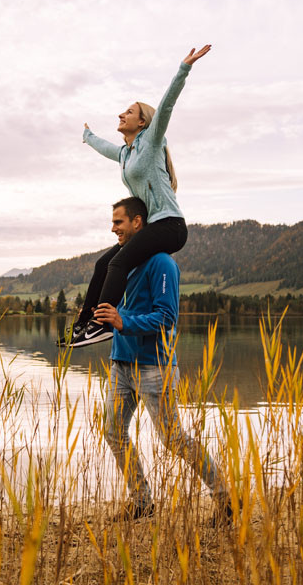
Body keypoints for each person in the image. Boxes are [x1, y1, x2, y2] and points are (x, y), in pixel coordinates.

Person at [93, 196, 231, 524]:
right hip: (120, 365)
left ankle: (226, 500)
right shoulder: (124, 262)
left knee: (174, 440)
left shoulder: (162, 264)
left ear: (138, 222)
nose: (113, 228)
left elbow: (166, 318)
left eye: (118, 222)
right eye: (112, 222)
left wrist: (123, 321)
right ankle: (142, 502)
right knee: (113, 431)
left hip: (156, 367)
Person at [64, 45, 212, 348]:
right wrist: (87, 135)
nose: (121, 114)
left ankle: (103, 324)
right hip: (152, 227)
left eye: (128, 112)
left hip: (170, 225)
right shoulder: (123, 154)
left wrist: (184, 68)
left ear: (142, 122)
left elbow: (167, 105)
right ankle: (84, 324)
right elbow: (103, 146)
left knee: (118, 263)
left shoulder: (152, 140)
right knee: (102, 265)